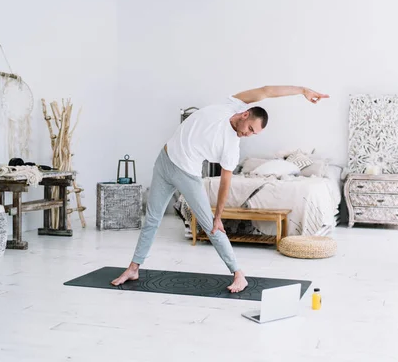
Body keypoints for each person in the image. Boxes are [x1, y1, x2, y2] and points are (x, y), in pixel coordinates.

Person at [111, 85, 330, 292]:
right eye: (251, 129)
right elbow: (266, 91)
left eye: (255, 134)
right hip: (164, 161)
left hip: (188, 175)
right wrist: (302, 90)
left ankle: (238, 274)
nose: (249, 134)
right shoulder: (230, 105)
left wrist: (218, 216)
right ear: (245, 115)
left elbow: (226, 182)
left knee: (212, 227)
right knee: (152, 220)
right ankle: (133, 269)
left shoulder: (232, 147)